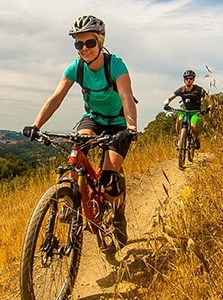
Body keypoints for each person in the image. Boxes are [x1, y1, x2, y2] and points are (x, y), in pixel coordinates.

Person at [22, 15, 138, 251]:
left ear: (100, 42)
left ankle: (118, 214)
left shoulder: (115, 65)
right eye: (78, 44)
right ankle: (69, 201)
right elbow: (56, 98)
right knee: (76, 152)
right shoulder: (76, 68)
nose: (83, 49)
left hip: (117, 123)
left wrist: (131, 128)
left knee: (108, 179)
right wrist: (36, 125)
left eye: (89, 43)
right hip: (93, 118)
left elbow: (127, 97)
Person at [163, 70, 213, 149]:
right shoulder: (182, 90)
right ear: (184, 79)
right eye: (186, 78)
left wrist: (209, 107)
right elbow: (170, 97)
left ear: (193, 80)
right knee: (179, 120)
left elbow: (209, 100)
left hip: (195, 112)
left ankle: (196, 139)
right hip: (184, 111)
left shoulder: (198, 90)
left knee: (193, 126)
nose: (188, 80)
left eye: (190, 78)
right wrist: (166, 103)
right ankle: (180, 139)